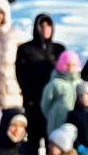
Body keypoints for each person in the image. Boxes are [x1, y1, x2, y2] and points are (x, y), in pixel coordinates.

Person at [15, 14, 66, 144]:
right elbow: (21, 75)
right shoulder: (25, 49)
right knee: (34, 137)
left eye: (48, 25)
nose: (45, 29)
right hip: (34, 100)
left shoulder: (59, 49)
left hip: (55, 100)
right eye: (42, 26)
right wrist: (29, 96)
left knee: (54, 137)